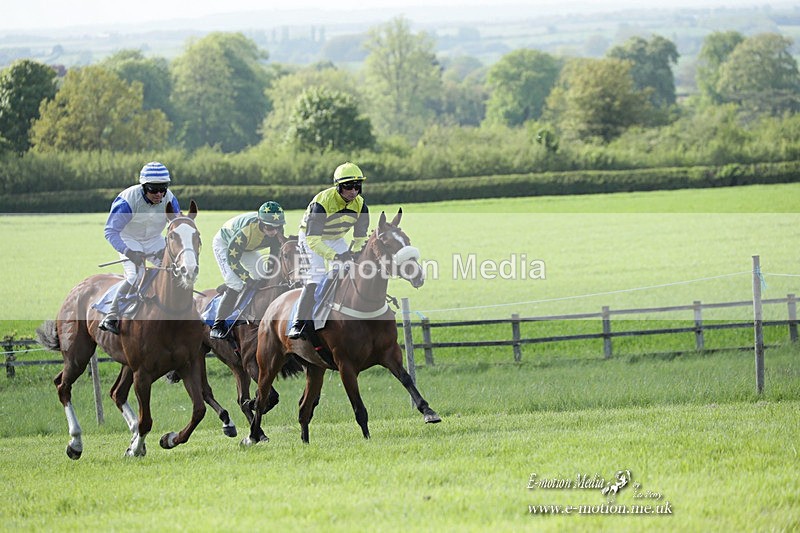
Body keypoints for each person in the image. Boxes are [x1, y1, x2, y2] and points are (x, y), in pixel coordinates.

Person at [288, 162, 369, 339]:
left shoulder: (361, 205)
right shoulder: (322, 203)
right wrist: (336, 256)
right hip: (311, 238)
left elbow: (360, 237)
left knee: (349, 270)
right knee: (315, 277)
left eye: (357, 186)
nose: (353, 191)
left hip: (335, 238)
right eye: (348, 186)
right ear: (338, 187)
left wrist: (353, 253)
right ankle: (298, 322)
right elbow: (313, 240)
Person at [99, 161, 180, 334]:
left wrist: (167, 246)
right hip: (128, 239)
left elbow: (177, 225)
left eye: (163, 188)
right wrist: (128, 252)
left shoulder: (169, 198)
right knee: (135, 276)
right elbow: (111, 231)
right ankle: (112, 315)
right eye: (153, 189)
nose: (159, 194)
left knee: (176, 269)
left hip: (154, 239)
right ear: (143, 187)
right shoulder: (127, 201)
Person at [209, 201, 287, 339]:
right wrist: (247, 278)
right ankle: (217, 325)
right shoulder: (246, 231)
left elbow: (274, 254)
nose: (274, 231)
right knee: (236, 283)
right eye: (269, 227)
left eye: (277, 227)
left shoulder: (277, 231)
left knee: (262, 274)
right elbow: (232, 259)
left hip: (247, 247)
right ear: (261, 222)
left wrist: (269, 273)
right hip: (226, 244)